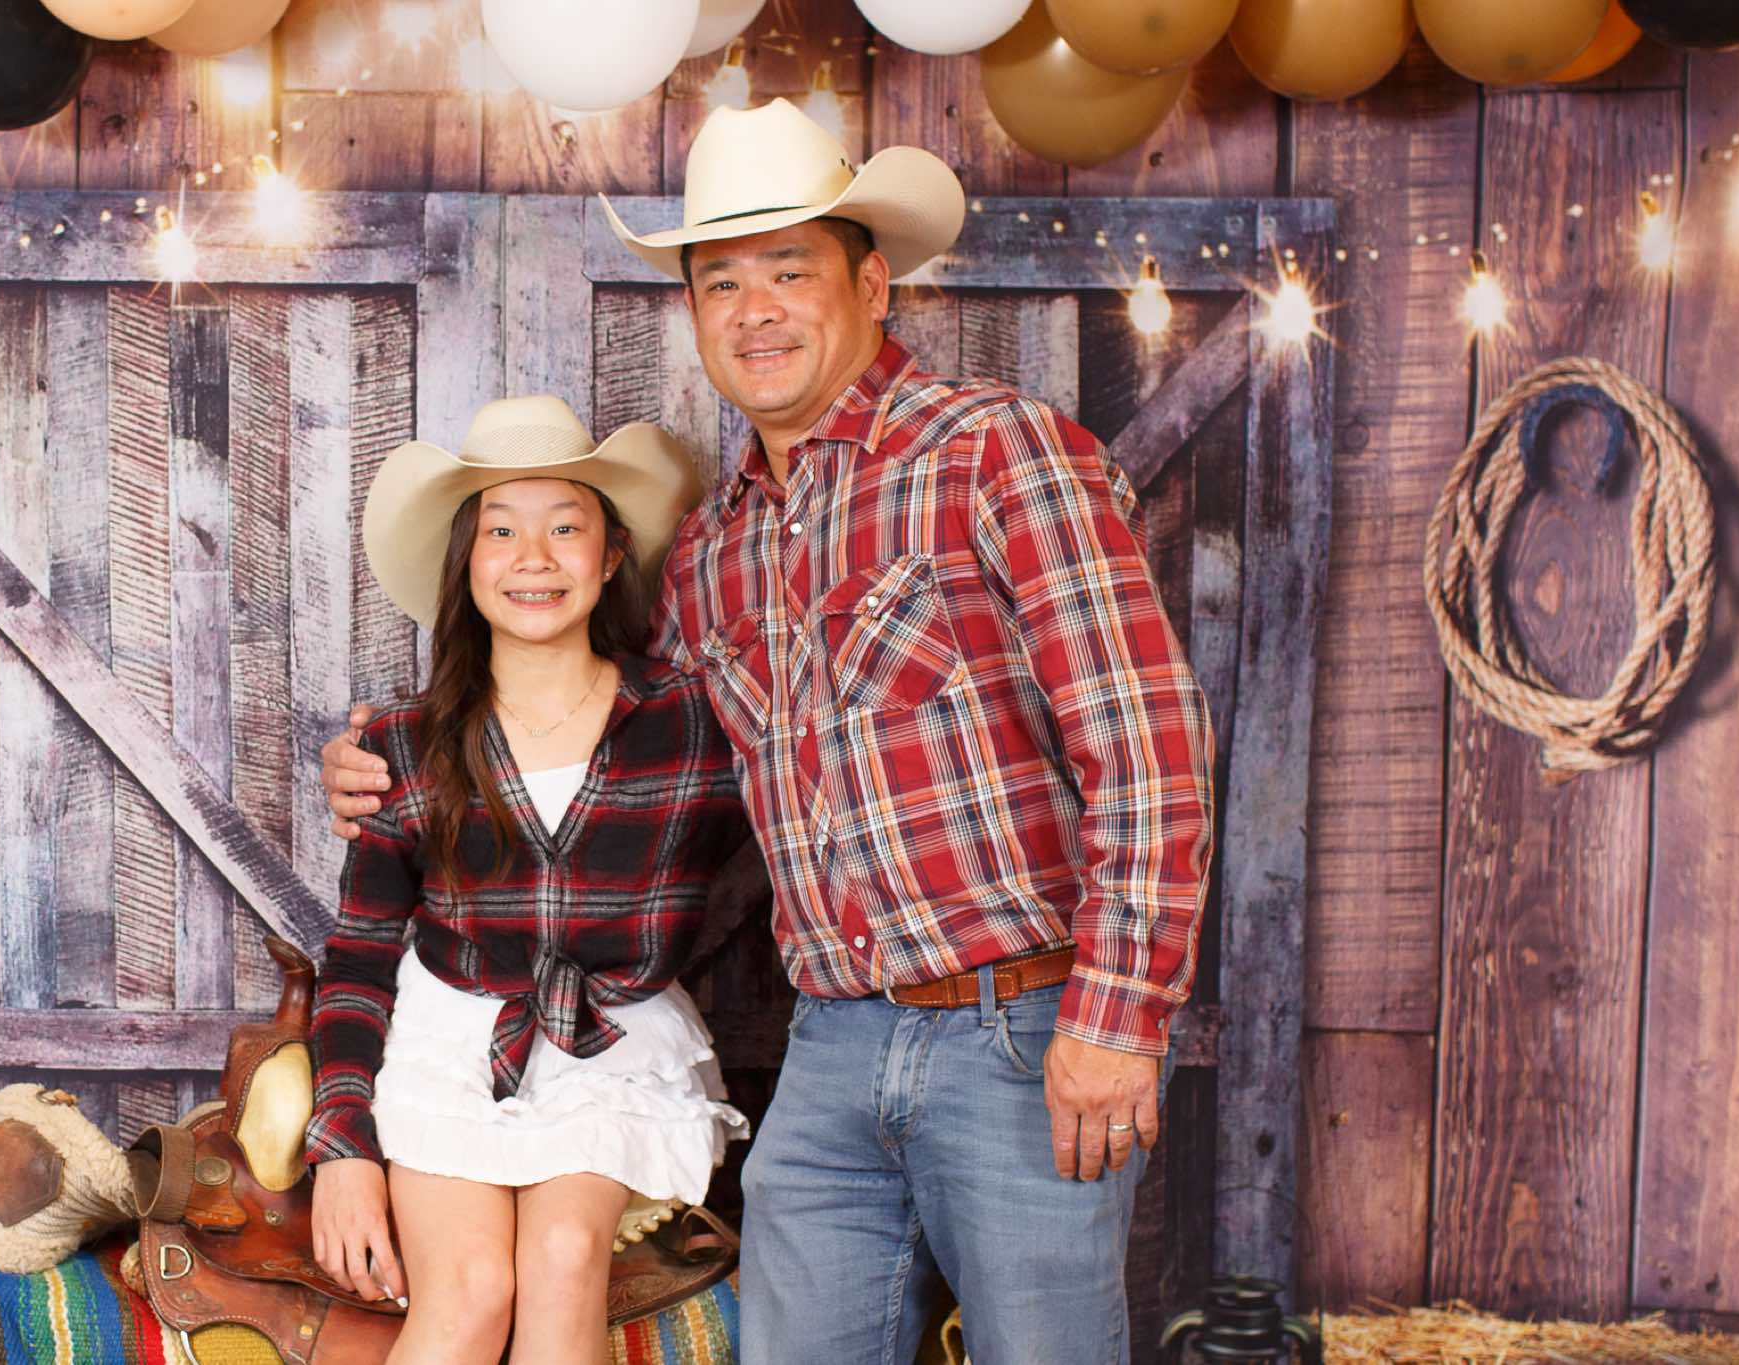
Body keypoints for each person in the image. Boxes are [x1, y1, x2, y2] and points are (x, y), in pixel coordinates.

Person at [322, 99, 1215, 1365]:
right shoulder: (710, 553)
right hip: (832, 1042)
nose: (755, 311)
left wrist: (1116, 1014)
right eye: (721, 282)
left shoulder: (994, 455)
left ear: (871, 283)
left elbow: (1146, 745)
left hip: (1017, 1026)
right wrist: (388, 755)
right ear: (694, 314)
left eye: (790, 271)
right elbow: (581, 717)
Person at [303, 396, 753, 1365]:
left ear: (611, 553)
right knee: (467, 1292)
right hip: (451, 1041)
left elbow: (811, 825)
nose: (533, 558)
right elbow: (359, 959)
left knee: (561, 1255)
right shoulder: (403, 743)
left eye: (565, 528)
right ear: (465, 562)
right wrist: (342, 1147)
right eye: (500, 531)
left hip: (613, 1043)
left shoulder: (692, 720)